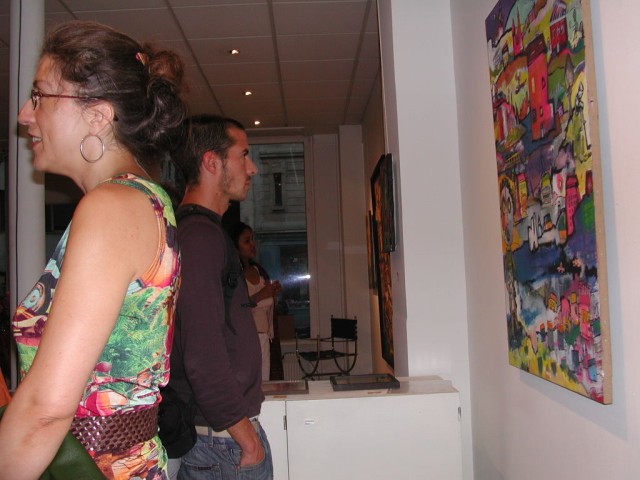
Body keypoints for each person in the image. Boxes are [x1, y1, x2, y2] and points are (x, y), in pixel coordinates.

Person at [0, 20, 186, 479]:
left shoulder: (111, 207)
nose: (24, 114)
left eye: (39, 96)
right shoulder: (143, 200)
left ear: (97, 116)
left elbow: (46, 410)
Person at [164, 115, 273, 479]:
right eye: (243, 155)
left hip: (222, 439)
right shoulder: (200, 237)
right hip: (222, 442)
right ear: (211, 162)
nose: (252, 168)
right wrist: (248, 441)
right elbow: (203, 354)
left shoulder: (203, 232)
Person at [229, 222, 281, 381]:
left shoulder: (260, 272)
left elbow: (267, 310)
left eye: (252, 239)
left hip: (264, 338)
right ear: (235, 246)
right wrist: (261, 294)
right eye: (247, 241)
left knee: (264, 385)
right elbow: (235, 308)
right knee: (249, 385)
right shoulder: (233, 276)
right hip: (245, 341)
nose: (252, 244)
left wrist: (273, 294)